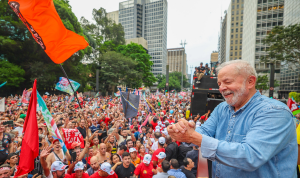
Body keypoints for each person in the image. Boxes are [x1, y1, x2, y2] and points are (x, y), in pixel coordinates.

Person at [168, 60, 297, 178]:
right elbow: (206, 131)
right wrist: (185, 130)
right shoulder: (222, 108)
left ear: (250, 82)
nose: (221, 88)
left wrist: (194, 137)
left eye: (227, 82)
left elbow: (250, 156)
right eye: (219, 84)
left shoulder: (274, 112)